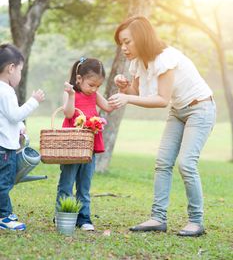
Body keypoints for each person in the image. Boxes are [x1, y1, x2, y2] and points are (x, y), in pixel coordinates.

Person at [108, 16, 216, 237]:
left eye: (127, 41)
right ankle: (158, 218)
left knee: (186, 163)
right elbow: (137, 94)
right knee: (162, 163)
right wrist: (125, 88)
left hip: (200, 108)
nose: (124, 47)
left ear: (141, 37)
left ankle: (196, 221)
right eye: (121, 43)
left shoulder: (165, 58)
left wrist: (127, 99)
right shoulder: (138, 62)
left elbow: (161, 100)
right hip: (178, 111)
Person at [55, 57, 113, 231]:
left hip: (89, 146)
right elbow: (68, 113)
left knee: (84, 184)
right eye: (91, 84)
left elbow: (108, 107)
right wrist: (72, 95)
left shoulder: (94, 94)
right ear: (79, 78)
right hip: (72, 146)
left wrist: (123, 91)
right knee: (67, 183)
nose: (94, 89)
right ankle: (62, 215)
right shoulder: (70, 92)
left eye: (98, 86)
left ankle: (84, 218)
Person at [0, 43, 45, 231]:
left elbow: (6, 116)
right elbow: (15, 114)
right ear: (11, 68)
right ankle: (4, 217)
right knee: (4, 182)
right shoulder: (6, 90)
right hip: (4, 148)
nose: (19, 74)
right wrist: (34, 101)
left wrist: (19, 127)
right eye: (20, 70)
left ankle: (5, 212)